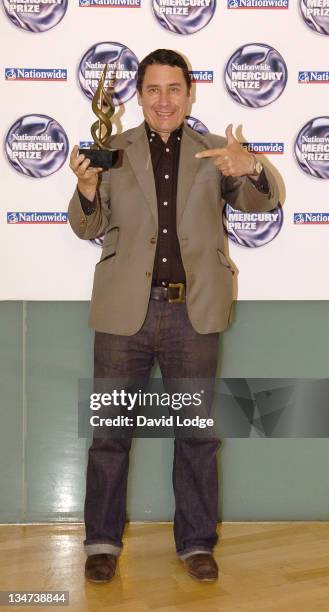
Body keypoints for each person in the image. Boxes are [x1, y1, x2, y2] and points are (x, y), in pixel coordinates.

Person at [68, 48, 279, 583]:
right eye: (154, 90)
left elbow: (264, 203)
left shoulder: (215, 153)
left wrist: (251, 165)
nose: (165, 100)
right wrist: (87, 189)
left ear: (190, 93)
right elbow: (86, 227)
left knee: (197, 434)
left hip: (194, 313)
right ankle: (101, 543)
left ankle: (196, 543)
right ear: (139, 96)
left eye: (174, 89)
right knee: (111, 433)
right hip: (124, 317)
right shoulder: (111, 151)